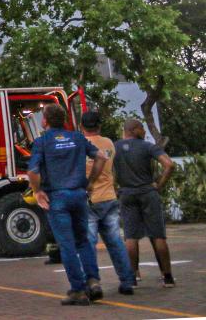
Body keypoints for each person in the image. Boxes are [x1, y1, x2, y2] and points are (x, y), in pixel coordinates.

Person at [27, 103, 108, 306]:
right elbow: (101, 156)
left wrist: (37, 192)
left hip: (57, 198)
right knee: (84, 241)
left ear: (45, 121)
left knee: (67, 244)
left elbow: (33, 172)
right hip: (79, 195)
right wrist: (90, 183)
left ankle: (78, 290)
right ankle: (93, 281)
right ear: (64, 120)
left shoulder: (42, 142)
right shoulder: (78, 138)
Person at [114, 118, 177, 288]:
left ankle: (133, 277)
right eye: (142, 128)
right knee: (158, 235)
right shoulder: (148, 147)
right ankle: (167, 276)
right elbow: (169, 165)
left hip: (126, 193)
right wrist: (158, 185)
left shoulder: (115, 147)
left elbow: (106, 170)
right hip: (148, 193)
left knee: (130, 236)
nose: (144, 132)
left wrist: (115, 188)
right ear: (134, 129)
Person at [80, 112, 136, 295]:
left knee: (88, 244)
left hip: (89, 199)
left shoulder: (80, 145)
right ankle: (127, 281)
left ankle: (93, 283)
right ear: (99, 126)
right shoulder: (109, 143)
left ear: (82, 126)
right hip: (109, 198)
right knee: (115, 242)